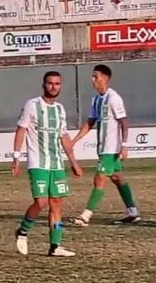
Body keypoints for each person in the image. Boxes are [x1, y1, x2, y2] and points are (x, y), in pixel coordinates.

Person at [12, 71, 82, 257]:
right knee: (41, 202)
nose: (54, 86)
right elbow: (21, 130)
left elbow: (64, 136)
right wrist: (16, 157)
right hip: (38, 162)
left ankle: (55, 245)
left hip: (57, 163)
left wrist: (73, 162)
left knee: (57, 203)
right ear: (44, 85)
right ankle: (23, 231)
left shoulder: (60, 109)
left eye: (57, 83)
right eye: (50, 83)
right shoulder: (32, 105)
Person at [70, 64, 139, 226]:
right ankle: (132, 212)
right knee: (117, 178)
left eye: (96, 76)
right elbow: (90, 123)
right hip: (103, 148)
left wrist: (124, 145)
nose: (92, 80)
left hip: (111, 148)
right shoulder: (96, 100)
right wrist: (74, 141)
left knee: (99, 178)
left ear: (105, 79)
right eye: (93, 76)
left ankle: (85, 216)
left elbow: (124, 122)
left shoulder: (114, 98)